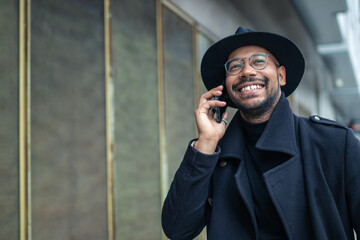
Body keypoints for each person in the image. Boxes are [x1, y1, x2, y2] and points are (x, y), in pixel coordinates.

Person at [161, 26, 360, 240]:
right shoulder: (214, 157)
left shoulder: (335, 143)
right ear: (225, 88)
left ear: (281, 75)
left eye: (258, 61)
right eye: (235, 66)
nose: (246, 71)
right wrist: (206, 142)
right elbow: (177, 230)